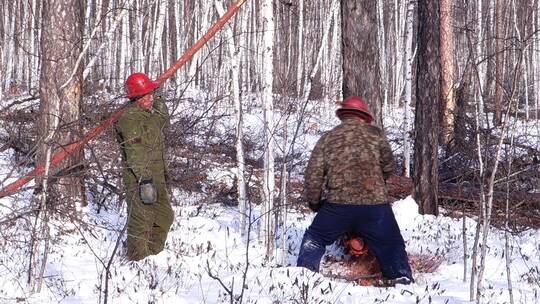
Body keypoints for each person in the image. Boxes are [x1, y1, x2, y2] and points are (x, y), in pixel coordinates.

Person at [297, 95, 413, 285]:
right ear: (364, 116)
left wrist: (316, 203)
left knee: (315, 238)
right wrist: (377, 183)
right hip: (375, 208)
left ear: (343, 116)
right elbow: (389, 167)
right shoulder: (376, 135)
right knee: (391, 243)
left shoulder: (328, 138)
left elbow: (313, 174)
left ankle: (303, 281)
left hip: (337, 206)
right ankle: (401, 280)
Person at [115, 72, 174, 261]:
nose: (150, 99)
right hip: (140, 179)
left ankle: (152, 255)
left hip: (156, 177)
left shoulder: (148, 115)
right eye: (146, 96)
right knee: (140, 221)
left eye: (151, 95)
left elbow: (163, 119)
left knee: (164, 216)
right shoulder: (130, 119)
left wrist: (158, 97)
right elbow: (135, 152)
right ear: (136, 97)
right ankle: (137, 259)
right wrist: (145, 181)